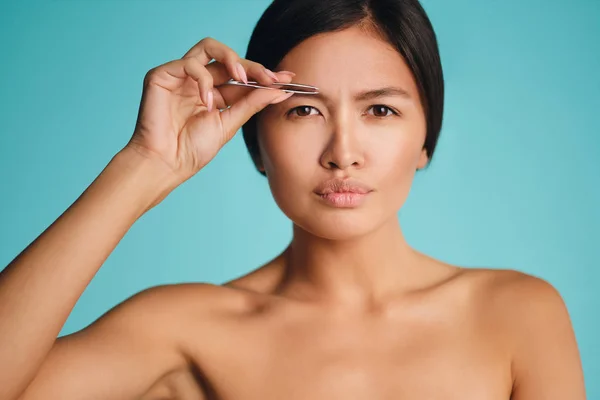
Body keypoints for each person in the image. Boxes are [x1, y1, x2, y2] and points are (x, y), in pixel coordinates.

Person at [0, 0, 586, 399]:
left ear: (425, 139)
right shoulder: (184, 329)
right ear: (253, 138)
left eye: (380, 109)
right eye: (303, 110)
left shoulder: (518, 314)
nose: (343, 152)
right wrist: (145, 166)